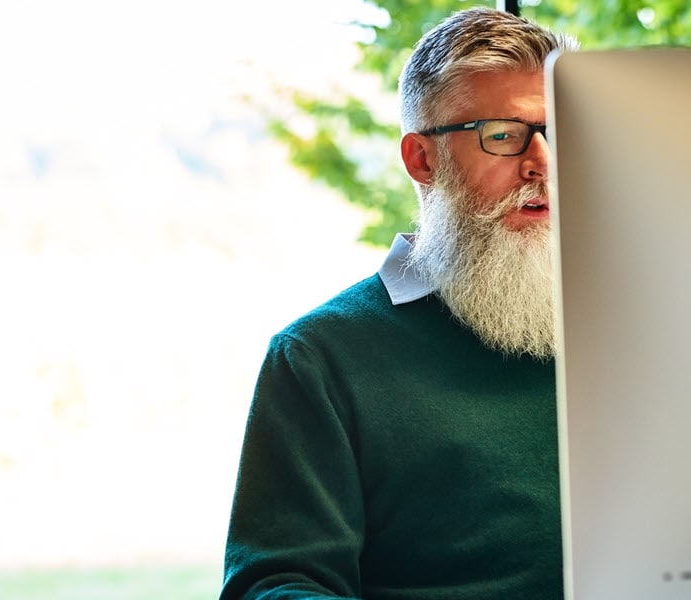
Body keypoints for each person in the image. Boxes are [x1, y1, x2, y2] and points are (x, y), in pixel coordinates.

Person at [220, 8, 579, 600]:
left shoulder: (630, 324)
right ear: (421, 159)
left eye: (560, 131)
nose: (541, 161)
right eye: (503, 135)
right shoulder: (319, 358)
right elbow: (278, 585)